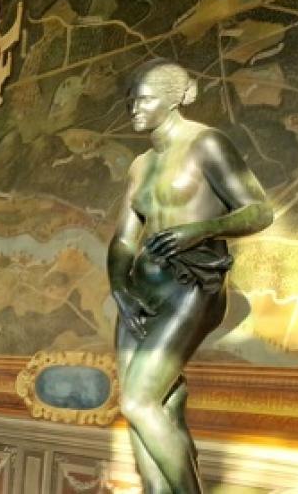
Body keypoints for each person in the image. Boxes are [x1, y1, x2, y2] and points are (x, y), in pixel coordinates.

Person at [109, 59, 271, 494]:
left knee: (139, 401)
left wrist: (201, 230)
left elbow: (259, 210)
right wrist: (120, 287)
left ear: (175, 97)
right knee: (146, 411)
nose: (133, 108)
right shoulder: (140, 164)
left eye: (142, 98)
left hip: (192, 286)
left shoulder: (206, 144)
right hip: (139, 294)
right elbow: (124, 240)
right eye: (129, 100)